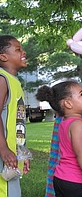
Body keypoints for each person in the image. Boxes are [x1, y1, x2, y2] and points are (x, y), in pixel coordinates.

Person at [36, 81, 82, 197]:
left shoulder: (64, 123)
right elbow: (80, 153)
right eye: (81, 94)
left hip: (61, 178)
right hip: (76, 181)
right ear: (68, 104)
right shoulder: (77, 124)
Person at [0, 35, 30, 197]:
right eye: (18, 49)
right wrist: (4, 149)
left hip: (12, 156)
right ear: (3, 57)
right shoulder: (2, 79)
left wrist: (22, 153)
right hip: (4, 154)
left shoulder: (14, 81)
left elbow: (18, 123)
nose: (23, 52)